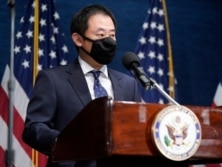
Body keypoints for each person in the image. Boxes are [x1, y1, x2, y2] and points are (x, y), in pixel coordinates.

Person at [22, 4, 142, 167]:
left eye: (112, 35)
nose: (109, 41)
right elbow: (34, 128)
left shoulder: (129, 84)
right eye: (101, 35)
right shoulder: (52, 79)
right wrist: (71, 143)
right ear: (78, 39)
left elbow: (135, 133)